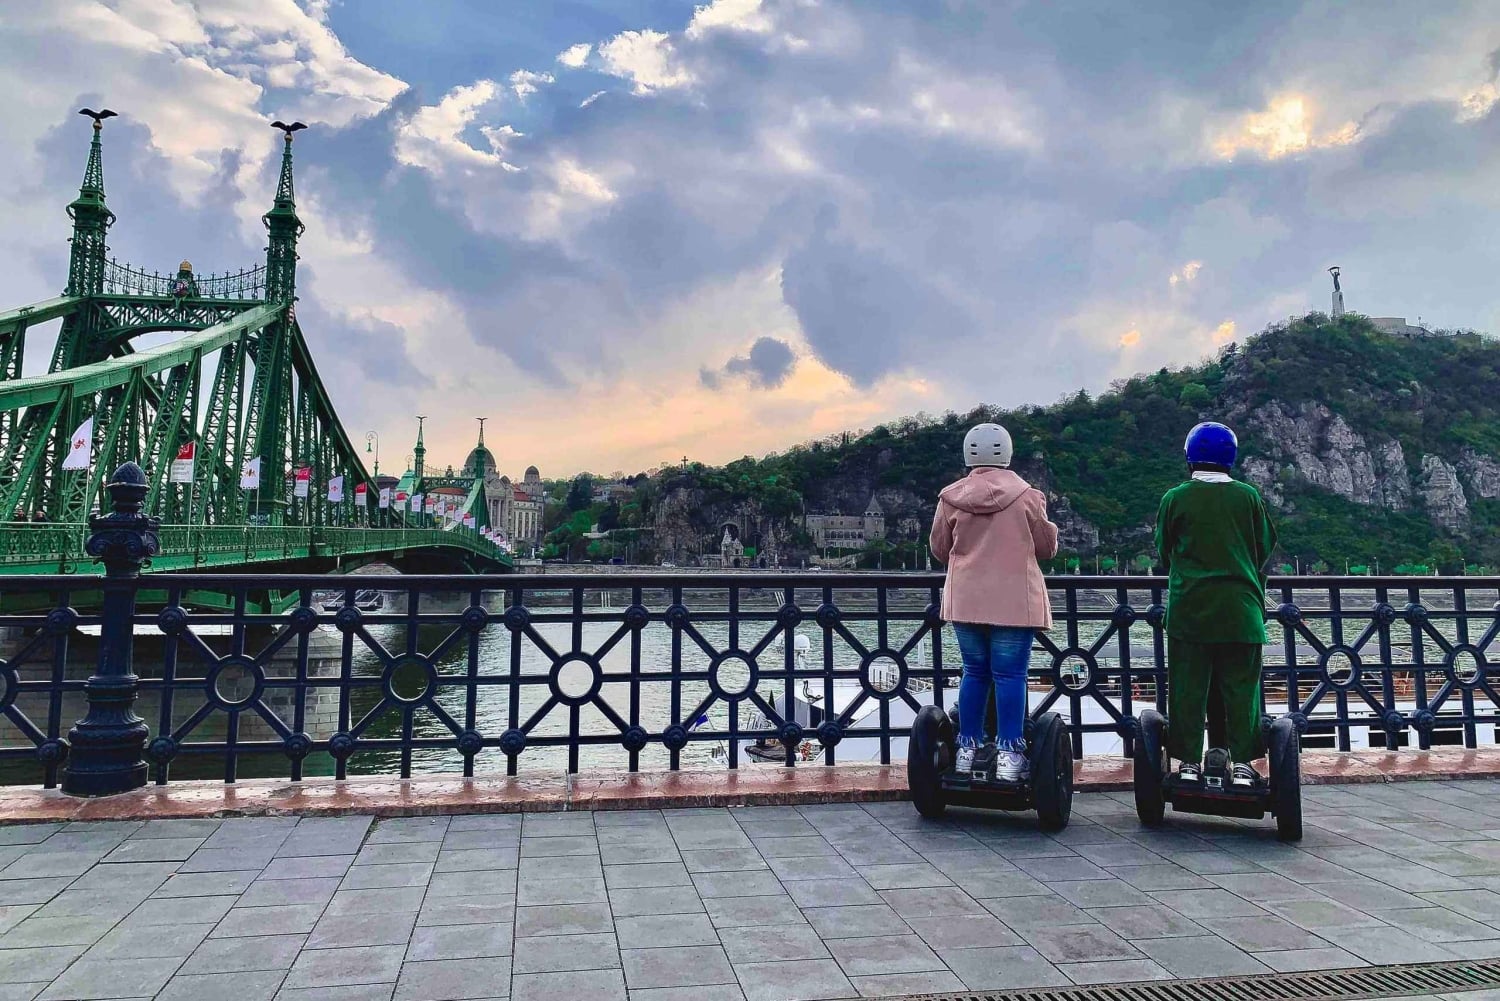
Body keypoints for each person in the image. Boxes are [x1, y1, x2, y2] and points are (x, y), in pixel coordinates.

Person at [929, 423, 1059, 782]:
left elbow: (940, 549)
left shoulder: (950, 497)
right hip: (1015, 601)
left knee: (974, 671)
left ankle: (966, 750)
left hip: (967, 599)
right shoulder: (1028, 496)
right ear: (1007, 453)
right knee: (1010, 675)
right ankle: (1009, 752)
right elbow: (1046, 549)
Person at [1154, 421, 1278, 785]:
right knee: (1241, 689)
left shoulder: (1175, 498)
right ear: (1231, 458)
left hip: (1190, 610)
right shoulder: (1248, 496)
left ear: (1190, 457)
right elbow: (1264, 545)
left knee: (1188, 688)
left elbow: (1164, 551)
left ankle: (1189, 762)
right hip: (1241, 611)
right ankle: (1242, 763)